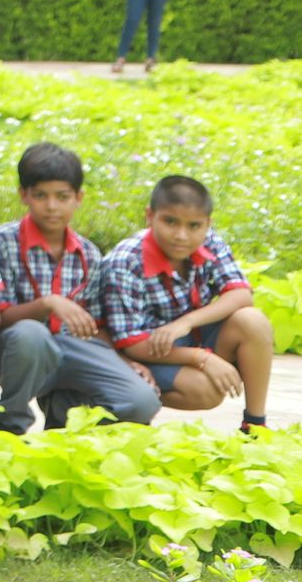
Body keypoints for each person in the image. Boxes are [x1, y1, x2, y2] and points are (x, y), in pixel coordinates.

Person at [0, 143, 160, 433]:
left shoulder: (88, 254)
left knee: (141, 400)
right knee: (31, 334)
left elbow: (94, 326)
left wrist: (123, 360)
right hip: (14, 352)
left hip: (70, 349)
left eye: (62, 197)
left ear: (78, 198)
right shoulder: (0, 242)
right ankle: (10, 427)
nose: (52, 206)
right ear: (24, 195)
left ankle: (68, 426)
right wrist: (47, 303)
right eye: (41, 195)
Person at [96, 173, 274, 435]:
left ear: (207, 224)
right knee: (206, 391)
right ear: (150, 216)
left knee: (253, 320)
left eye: (194, 225)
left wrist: (186, 322)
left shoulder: (209, 241)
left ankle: (255, 425)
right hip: (143, 350)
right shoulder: (126, 261)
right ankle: (130, 405)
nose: (181, 235)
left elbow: (241, 294)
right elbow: (130, 342)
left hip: (188, 335)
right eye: (170, 222)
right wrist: (202, 358)